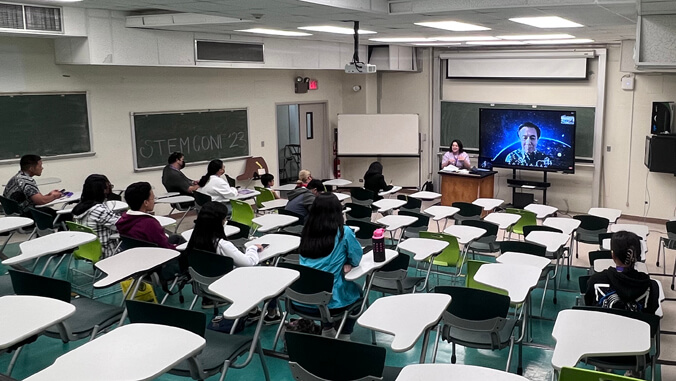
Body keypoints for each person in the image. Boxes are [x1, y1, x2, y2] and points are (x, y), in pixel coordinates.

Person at [185, 201, 279, 321]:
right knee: (270, 273)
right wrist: (253, 248)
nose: (226, 221)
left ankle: (253, 310)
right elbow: (249, 262)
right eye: (224, 219)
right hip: (228, 287)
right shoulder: (222, 244)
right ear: (218, 222)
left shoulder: (195, 240)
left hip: (205, 287)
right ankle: (271, 314)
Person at [297, 193, 363, 339]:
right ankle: (344, 335)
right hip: (330, 302)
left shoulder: (306, 231)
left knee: (325, 288)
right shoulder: (343, 232)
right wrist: (347, 262)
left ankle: (327, 328)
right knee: (358, 293)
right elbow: (357, 258)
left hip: (301, 297)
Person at [584, 231, 659, 314]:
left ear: (613, 255)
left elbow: (589, 306)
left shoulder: (595, 280)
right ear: (638, 256)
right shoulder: (652, 287)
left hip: (603, 326)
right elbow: (651, 314)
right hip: (636, 326)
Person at [116, 181, 183, 250]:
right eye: (153, 198)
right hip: (158, 256)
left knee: (175, 237)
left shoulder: (123, 219)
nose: (154, 201)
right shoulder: (150, 223)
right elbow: (166, 247)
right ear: (146, 203)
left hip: (138, 254)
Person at [72, 174, 119, 258]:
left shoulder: (78, 209)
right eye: (108, 188)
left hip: (86, 250)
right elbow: (121, 226)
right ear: (102, 191)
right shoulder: (98, 210)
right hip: (106, 252)